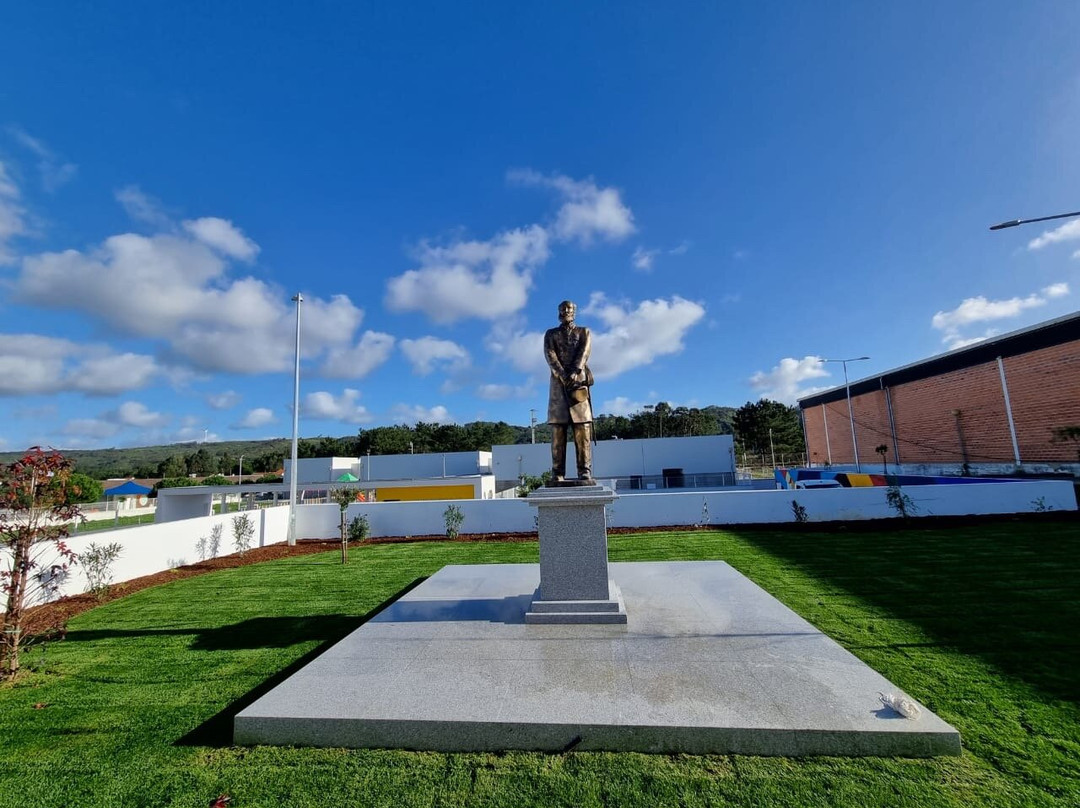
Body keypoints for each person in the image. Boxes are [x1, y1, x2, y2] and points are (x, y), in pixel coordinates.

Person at [544, 300, 594, 481]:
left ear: (575, 312)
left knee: (583, 428)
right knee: (558, 430)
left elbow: (584, 352)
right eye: (562, 309)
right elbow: (550, 355)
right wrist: (562, 374)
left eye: (569, 309)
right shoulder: (551, 334)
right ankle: (557, 472)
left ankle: (584, 470)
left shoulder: (584, 332)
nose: (565, 311)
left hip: (578, 385)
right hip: (558, 387)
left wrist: (574, 372)